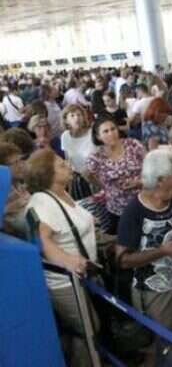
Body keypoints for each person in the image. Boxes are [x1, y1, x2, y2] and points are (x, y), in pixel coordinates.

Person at [25, 149, 98, 367]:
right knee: (87, 329)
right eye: (60, 165)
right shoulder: (42, 202)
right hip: (65, 283)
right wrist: (67, 260)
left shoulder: (62, 194)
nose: (67, 164)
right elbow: (42, 240)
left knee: (88, 329)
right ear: (47, 174)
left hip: (80, 278)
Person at [116, 148, 172, 335]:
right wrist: (162, 251)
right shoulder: (134, 212)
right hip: (155, 293)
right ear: (160, 180)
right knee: (165, 341)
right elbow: (123, 260)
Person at [87, 115, 145, 235]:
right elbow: (89, 175)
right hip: (116, 208)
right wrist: (106, 187)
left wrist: (139, 182)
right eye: (106, 131)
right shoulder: (96, 157)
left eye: (113, 129)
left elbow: (150, 167)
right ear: (98, 136)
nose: (111, 133)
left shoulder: (133, 145)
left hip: (142, 202)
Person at [60, 104, 96, 200]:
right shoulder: (65, 136)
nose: (77, 118)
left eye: (79, 115)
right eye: (72, 115)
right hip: (78, 179)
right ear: (66, 120)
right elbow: (68, 161)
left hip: (95, 177)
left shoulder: (92, 133)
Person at [0, 142, 30, 238]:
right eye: (15, 163)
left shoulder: (19, 184)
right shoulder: (3, 192)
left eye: (20, 160)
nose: (21, 165)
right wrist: (7, 210)